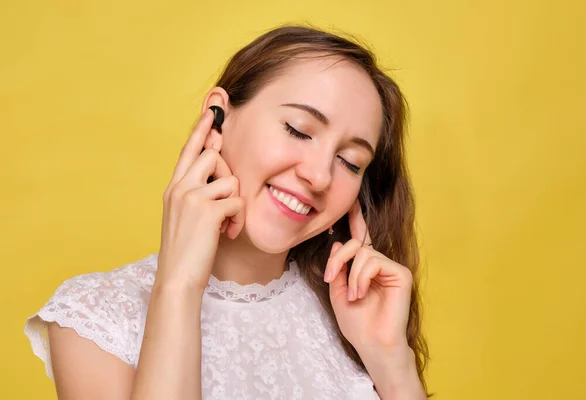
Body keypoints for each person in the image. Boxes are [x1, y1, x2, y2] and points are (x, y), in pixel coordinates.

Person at [24, 25, 431, 399]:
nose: (320, 175)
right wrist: (179, 286)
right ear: (218, 117)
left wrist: (391, 360)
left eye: (350, 161)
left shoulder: (353, 321)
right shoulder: (95, 317)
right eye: (298, 130)